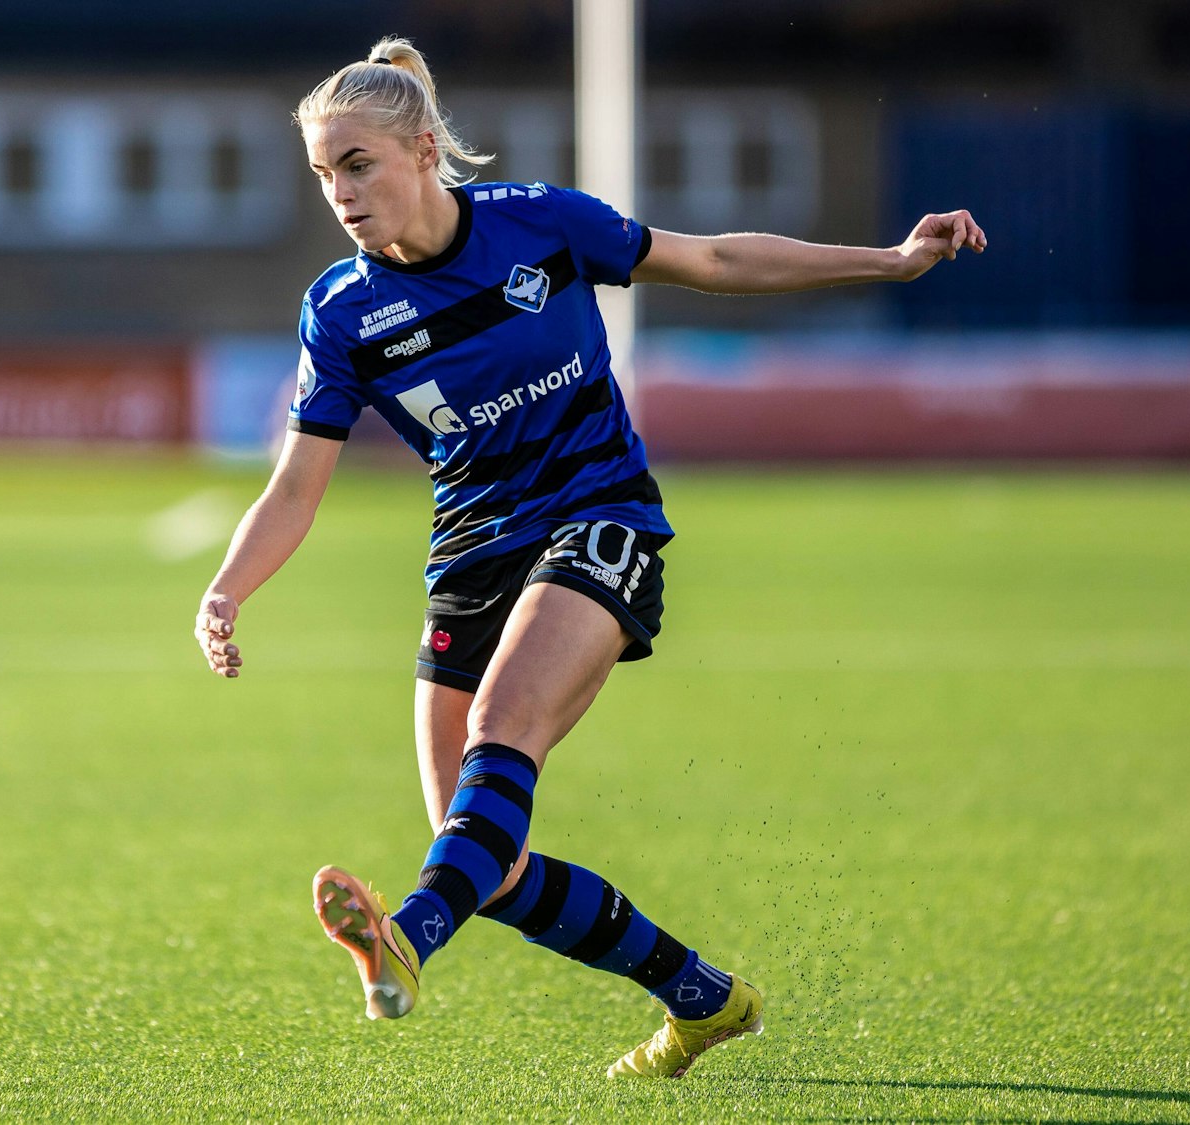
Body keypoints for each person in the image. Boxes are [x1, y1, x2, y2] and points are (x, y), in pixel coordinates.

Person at [194, 37, 985, 1079]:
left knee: (497, 733)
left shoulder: (541, 226)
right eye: (322, 173)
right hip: (470, 555)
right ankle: (703, 1001)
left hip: (597, 517)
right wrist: (225, 590)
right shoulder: (341, 312)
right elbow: (297, 482)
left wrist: (885, 261)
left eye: (357, 164)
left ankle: (406, 938)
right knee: (492, 861)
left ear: (423, 150)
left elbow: (710, 259)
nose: (338, 192)